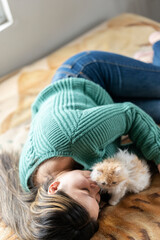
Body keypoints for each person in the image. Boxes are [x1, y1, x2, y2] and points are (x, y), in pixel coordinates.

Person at [1, 32, 160, 240]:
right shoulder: (56, 197)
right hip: (104, 109)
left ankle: (156, 42)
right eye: (96, 201)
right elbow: (130, 157)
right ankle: (142, 70)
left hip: (87, 76)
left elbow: (129, 114)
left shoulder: (77, 137)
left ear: (54, 187)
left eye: (86, 191)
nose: (97, 189)